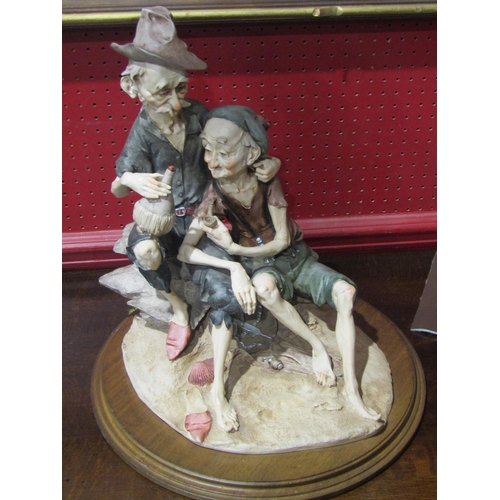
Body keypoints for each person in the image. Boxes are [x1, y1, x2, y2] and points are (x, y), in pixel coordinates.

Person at [178, 105, 381, 432]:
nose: (211, 162)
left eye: (223, 152)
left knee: (346, 293)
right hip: (259, 264)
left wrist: (234, 249)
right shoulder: (213, 194)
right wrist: (232, 265)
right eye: (207, 149)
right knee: (264, 290)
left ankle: (353, 390)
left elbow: (282, 239)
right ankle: (316, 346)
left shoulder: (267, 182)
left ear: (251, 154)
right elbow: (186, 250)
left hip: (293, 256)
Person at [109, 7, 280, 359]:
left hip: (203, 217)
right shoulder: (142, 133)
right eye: (162, 92)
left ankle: (230, 342)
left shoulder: (199, 115)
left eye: (181, 88)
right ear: (133, 86)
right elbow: (118, 187)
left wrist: (268, 161)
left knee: (226, 291)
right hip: (162, 220)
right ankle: (178, 308)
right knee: (145, 251)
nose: (175, 103)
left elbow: (237, 139)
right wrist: (131, 178)